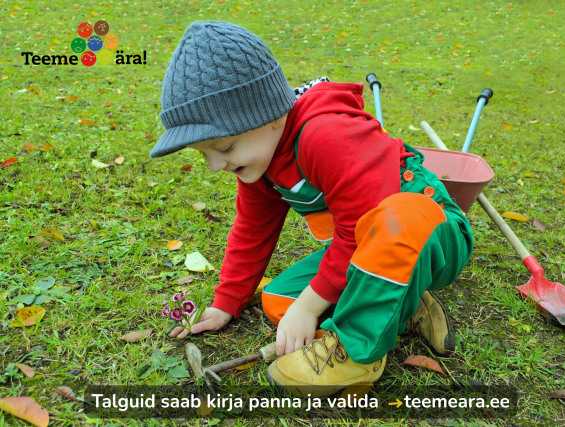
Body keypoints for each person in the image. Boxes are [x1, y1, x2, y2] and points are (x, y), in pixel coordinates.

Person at [151, 21, 473, 398]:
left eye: (223, 148)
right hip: (369, 250)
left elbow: (359, 227)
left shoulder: (325, 134)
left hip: (433, 233)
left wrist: (309, 307)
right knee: (280, 302)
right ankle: (406, 302)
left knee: (394, 220)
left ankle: (357, 354)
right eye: (204, 154)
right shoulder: (259, 164)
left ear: (270, 115)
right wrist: (227, 302)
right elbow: (252, 231)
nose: (215, 165)